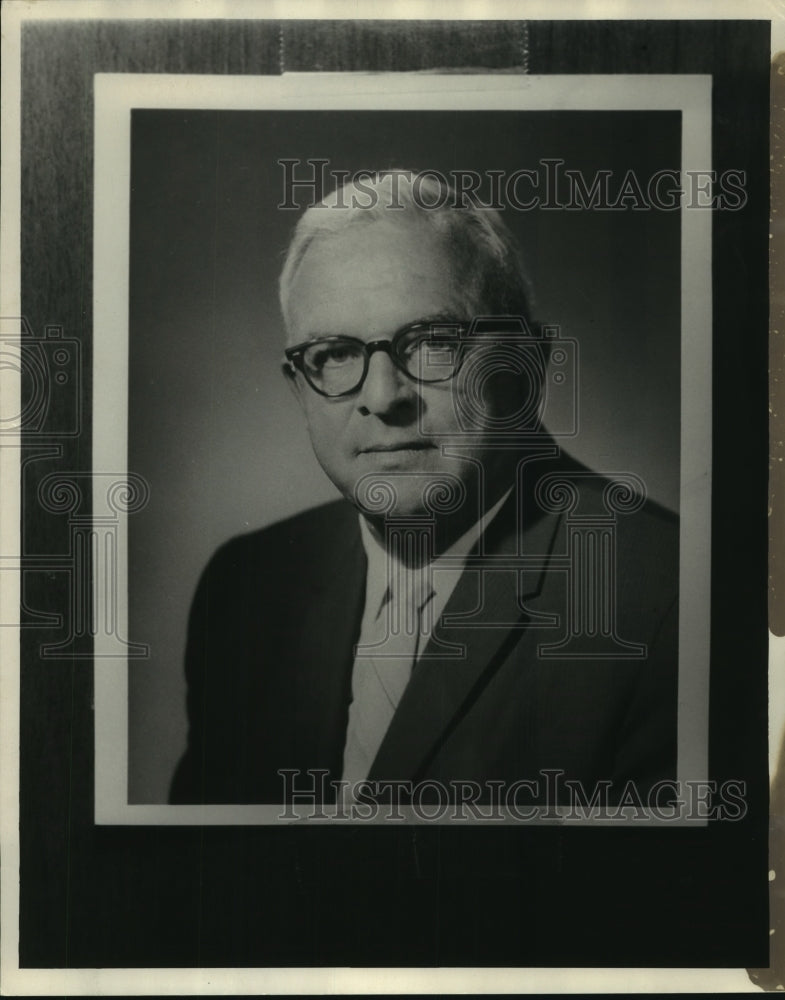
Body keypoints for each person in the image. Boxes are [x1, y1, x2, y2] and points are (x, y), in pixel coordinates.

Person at [170, 172, 678, 813]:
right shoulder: (243, 590)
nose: (383, 398)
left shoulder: (674, 603)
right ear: (298, 387)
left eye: (435, 343)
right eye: (333, 354)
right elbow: (199, 890)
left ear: (529, 366)